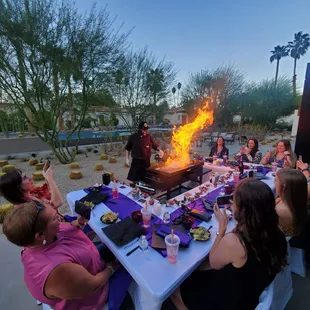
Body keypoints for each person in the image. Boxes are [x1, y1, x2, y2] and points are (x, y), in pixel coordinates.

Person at [170, 179, 287, 310]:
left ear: (244, 209)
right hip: (251, 291)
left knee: (174, 289)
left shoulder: (236, 242)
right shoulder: (278, 232)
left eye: (234, 201)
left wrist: (222, 230)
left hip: (230, 300)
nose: (231, 203)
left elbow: (213, 261)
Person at [2, 202, 131, 309]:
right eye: (54, 218)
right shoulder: (58, 269)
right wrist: (111, 269)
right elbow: (93, 285)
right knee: (132, 268)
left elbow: (64, 229)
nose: (60, 218)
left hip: (89, 267)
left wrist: (75, 225)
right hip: (91, 295)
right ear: (40, 235)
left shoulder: (33, 240)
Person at [274, 168, 308, 236]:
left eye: (275, 180)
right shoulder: (295, 200)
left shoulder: (281, 211)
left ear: (284, 186)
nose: (273, 182)